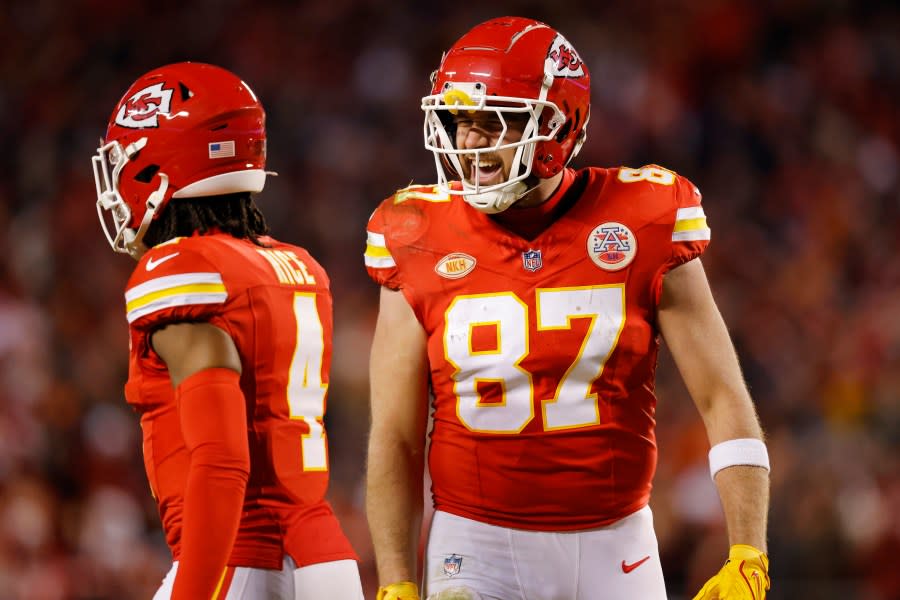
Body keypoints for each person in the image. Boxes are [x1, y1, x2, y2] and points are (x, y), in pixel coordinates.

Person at [363, 16, 770, 600]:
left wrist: (748, 551)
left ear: (557, 123)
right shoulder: (414, 230)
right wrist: (396, 578)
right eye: (460, 121)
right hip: (476, 548)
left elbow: (722, 395)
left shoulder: (644, 215)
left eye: (493, 120)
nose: (471, 142)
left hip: (619, 544)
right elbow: (395, 435)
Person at [93, 62, 364, 600]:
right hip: (326, 563)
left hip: (237, 560)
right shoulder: (296, 266)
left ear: (158, 164)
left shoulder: (179, 267)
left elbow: (222, 462)